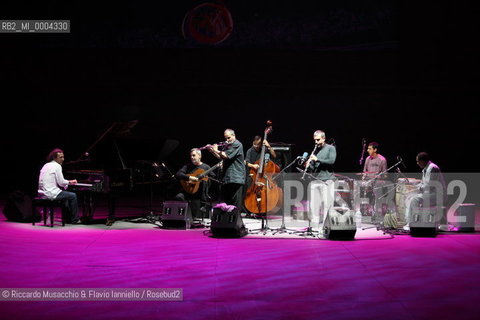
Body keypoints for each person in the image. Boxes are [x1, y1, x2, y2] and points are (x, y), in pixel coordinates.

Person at [404, 152, 446, 230]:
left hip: (437, 195)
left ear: (422, 161)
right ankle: (413, 221)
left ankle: (412, 222)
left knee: (414, 200)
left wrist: (416, 189)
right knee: (409, 197)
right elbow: (423, 183)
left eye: (418, 161)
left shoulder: (433, 168)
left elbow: (429, 186)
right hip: (430, 193)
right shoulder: (426, 169)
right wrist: (413, 187)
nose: (417, 163)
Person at [38, 148, 81, 224]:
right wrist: (70, 182)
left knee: (66, 195)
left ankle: (67, 218)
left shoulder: (46, 165)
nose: (63, 159)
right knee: (73, 195)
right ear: (54, 158)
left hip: (42, 193)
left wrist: (65, 184)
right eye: (60, 157)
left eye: (63, 157)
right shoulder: (57, 166)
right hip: (51, 193)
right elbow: (61, 182)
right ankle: (75, 219)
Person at [207, 129, 245, 210]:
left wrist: (216, 149)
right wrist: (212, 151)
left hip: (235, 178)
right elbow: (221, 157)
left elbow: (225, 156)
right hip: (227, 178)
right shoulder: (227, 146)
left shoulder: (237, 144)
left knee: (235, 205)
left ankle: (236, 222)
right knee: (227, 204)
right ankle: (227, 221)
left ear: (234, 135)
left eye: (228, 138)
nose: (227, 140)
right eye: (225, 138)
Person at [305, 130, 337, 229]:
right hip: (315, 180)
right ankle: (314, 227)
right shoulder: (316, 151)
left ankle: (326, 227)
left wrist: (317, 159)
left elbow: (331, 161)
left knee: (327, 205)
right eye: (315, 140)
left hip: (327, 180)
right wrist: (308, 165)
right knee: (314, 206)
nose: (316, 142)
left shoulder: (331, 148)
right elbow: (314, 168)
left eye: (318, 140)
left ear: (323, 138)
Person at [175, 148, 214, 220]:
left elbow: (212, 177)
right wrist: (190, 178)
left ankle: (202, 206)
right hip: (188, 190)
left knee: (204, 183)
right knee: (179, 197)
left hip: (199, 193)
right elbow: (178, 174)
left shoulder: (206, 167)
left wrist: (206, 179)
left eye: (194, 155)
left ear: (199, 156)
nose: (192, 157)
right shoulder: (188, 166)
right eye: (191, 156)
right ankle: (187, 214)